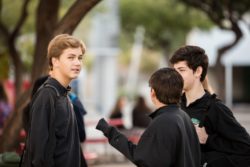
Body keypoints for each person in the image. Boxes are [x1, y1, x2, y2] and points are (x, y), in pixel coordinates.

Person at [96, 68, 201, 167]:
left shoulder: (163, 121)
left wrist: (109, 131)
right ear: (181, 92)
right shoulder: (184, 117)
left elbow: (143, 159)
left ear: (152, 93)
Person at [170, 45, 250, 167]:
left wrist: (208, 139)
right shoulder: (176, 106)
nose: (176, 76)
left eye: (181, 70)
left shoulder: (215, 108)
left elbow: (245, 147)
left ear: (198, 71)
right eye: (174, 71)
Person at [21, 34, 87, 167]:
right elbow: (38, 155)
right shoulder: (46, 96)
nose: (77, 63)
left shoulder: (64, 95)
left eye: (79, 58)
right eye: (71, 57)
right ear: (55, 61)